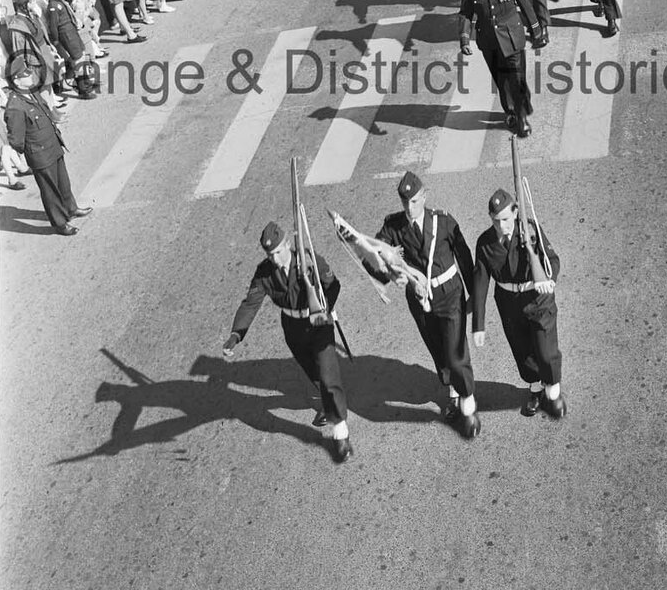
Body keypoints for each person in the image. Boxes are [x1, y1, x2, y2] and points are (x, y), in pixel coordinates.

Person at [358, 172, 481, 439]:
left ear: (424, 196)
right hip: (420, 298)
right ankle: (453, 391)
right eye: (405, 202)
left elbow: (464, 256)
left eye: (414, 201)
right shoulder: (393, 228)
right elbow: (375, 262)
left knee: (455, 352)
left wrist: (473, 296)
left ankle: (468, 404)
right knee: (438, 350)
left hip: (449, 294)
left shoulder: (443, 222)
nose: (410, 207)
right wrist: (386, 267)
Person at [222, 221, 354, 463]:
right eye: (270, 254)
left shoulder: (309, 258)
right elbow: (250, 303)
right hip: (293, 329)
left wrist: (326, 309)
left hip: (318, 323)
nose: (275, 258)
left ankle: (340, 433)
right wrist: (235, 335)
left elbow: (333, 285)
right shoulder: (264, 273)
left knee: (328, 375)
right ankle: (328, 401)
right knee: (315, 375)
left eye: (279, 251)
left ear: (287, 244)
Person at [472, 188, 566, 419]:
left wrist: (549, 280)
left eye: (505, 219)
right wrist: (478, 324)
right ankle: (535, 389)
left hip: (537, 298)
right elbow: (480, 284)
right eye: (496, 220)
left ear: (515, 212)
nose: (501, 225)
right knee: (522, 350)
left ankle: (553, 392)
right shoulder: (485, 242)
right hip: (509, 303)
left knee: (545, 351)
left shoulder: (530, 230)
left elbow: (552, 260)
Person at [458, 0, 545, 138]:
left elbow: (523, 0)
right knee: (502, 80)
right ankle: (511, 111)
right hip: (488, 40)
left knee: (516, 78)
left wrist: (536, 28)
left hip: (512, 36)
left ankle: (521, 118)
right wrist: (464, 38)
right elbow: (465, 12)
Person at [3, 55, 92, 235]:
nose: (31, 75)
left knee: (63, 182)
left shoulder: (31, 92)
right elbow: (16, 141)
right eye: (26, 74)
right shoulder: (15, 107)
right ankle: (60, 223)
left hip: (53, 145)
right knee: (50, 190)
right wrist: (32, 151)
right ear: (16, 80)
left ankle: (71, 208)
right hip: (40, 154)